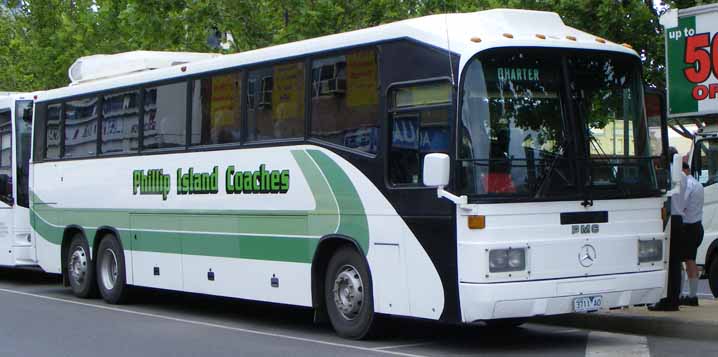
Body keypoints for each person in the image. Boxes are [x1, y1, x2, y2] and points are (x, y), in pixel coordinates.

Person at [649, 147, 683, 311]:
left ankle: (667, 299)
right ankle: (673, 298)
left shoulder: (666, 176)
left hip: (670, 219)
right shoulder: (683, 177)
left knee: (667, 262)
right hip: (680, 219)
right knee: (675, 262)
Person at [679, 161, 704, 306]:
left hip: (687, 227)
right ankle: (692, 295)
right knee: (691, 260)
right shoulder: (698, 184)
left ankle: (681, 294)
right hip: (697, 225)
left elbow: (682, 204)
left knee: (682, 261)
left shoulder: (687, 184)